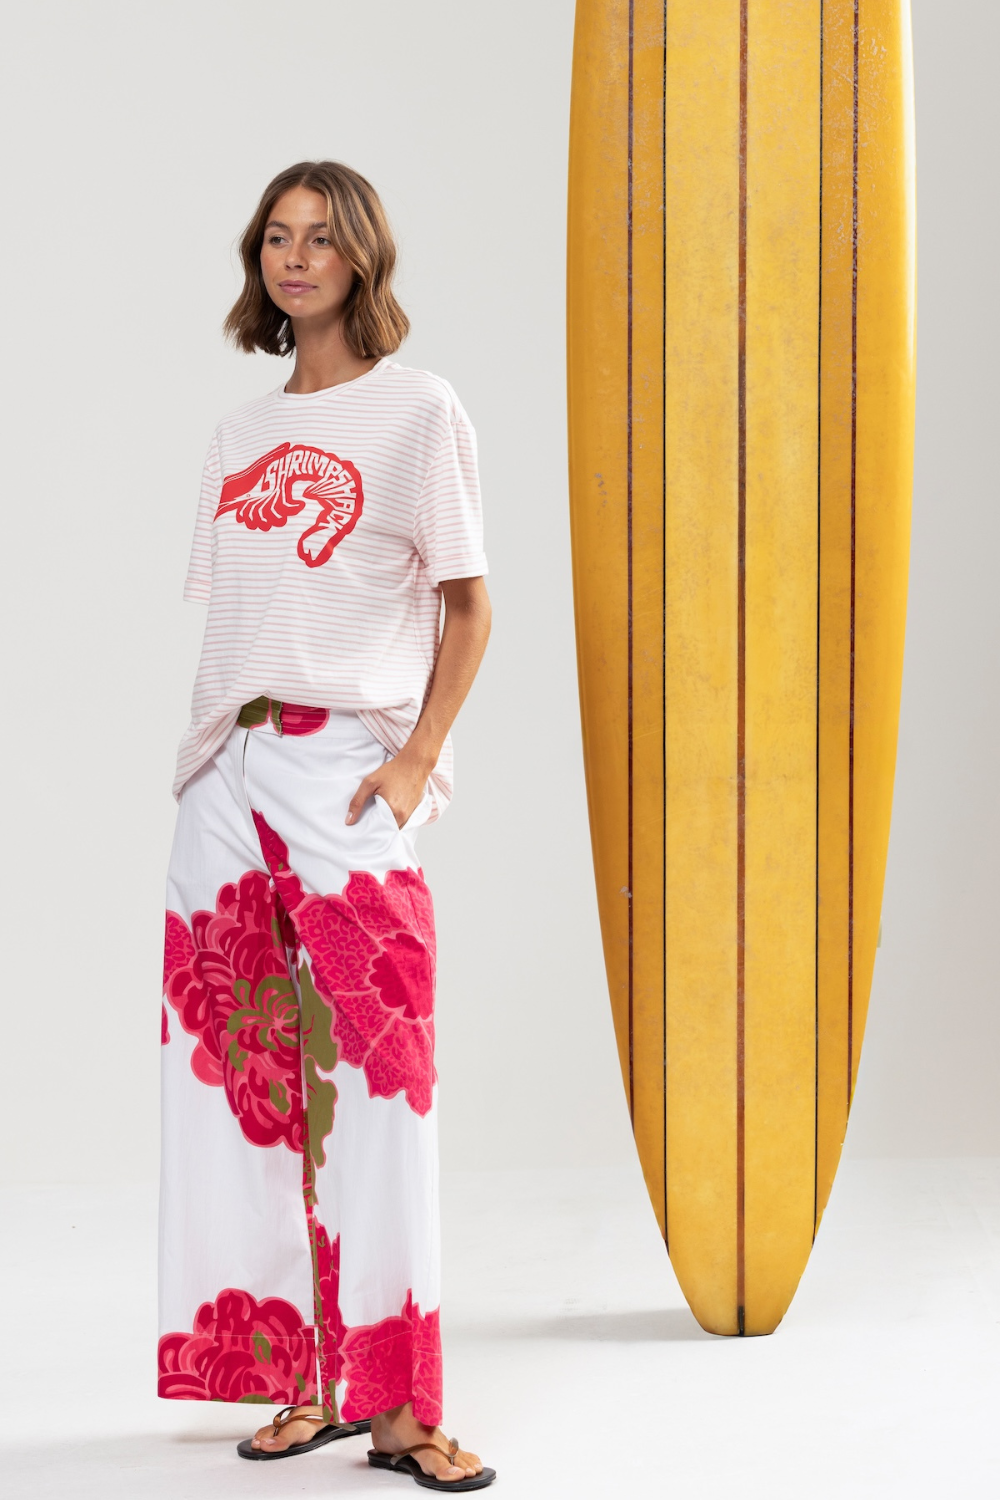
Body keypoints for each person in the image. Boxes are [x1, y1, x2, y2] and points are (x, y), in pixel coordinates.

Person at [158, 160, 495, 1491]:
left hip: (344, 767)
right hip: (225, 774)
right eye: (275, 239)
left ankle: (400, 1408)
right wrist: (208, 777)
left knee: (384, 1078)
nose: (294, 258)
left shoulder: (420, 410)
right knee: (248, 1086)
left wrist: (416, 760)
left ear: (361, 257)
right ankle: (300, 1381)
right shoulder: (238, 435)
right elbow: (248, 620)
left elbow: (468, 604)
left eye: (319, 238)